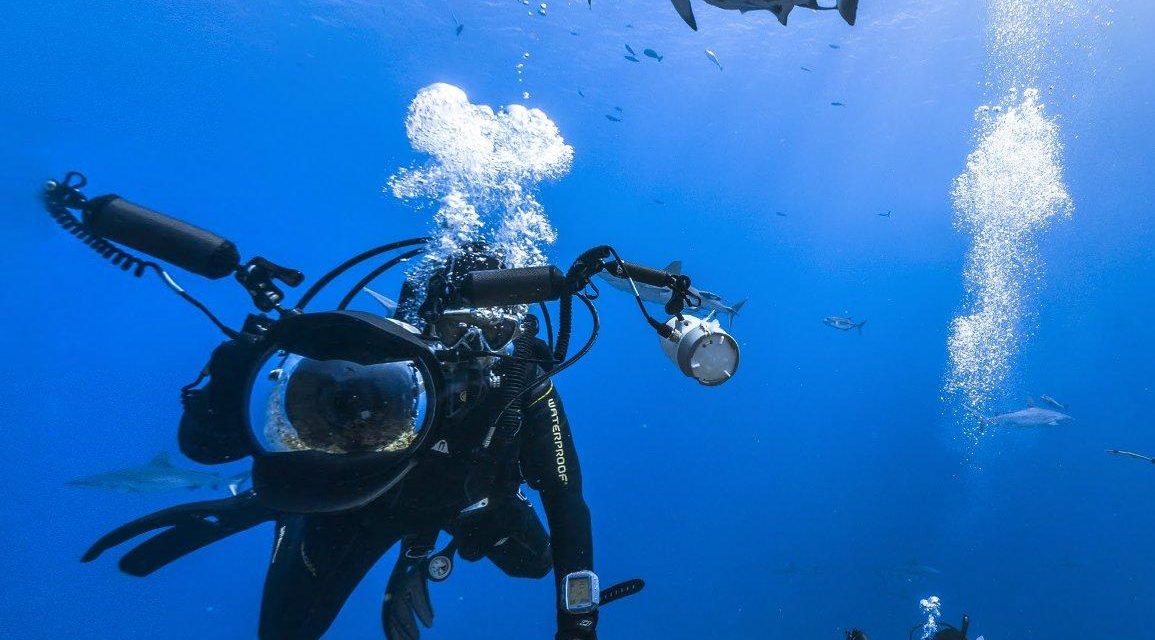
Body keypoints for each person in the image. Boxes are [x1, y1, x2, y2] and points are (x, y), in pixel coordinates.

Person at [84, 243, 604, 640]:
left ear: (515, 329)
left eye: (494, 330)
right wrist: (233, 374)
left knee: (536, 563)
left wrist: (578, 621)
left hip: (462, 503)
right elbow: (207, 448)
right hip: (353, 502)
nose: (472, 344)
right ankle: (284, 507)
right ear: (426, 315)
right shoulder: (369, 356)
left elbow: (566, 495)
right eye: (458, 323)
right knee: (286, 631)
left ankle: (412, 550)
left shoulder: (522, 386)